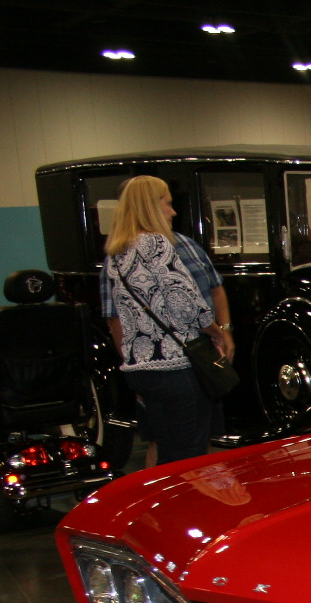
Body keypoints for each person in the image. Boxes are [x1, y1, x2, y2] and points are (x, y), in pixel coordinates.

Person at [101, 175, 228, 466]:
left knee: (165, 450)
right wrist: (215, 331)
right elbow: (186, 303)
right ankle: (188, 510)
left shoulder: (115, 253)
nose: (172, 212)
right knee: (189, 457)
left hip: (141, 369)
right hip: (176, 367)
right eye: (167, 203)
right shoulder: (157, 244)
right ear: (150, 206)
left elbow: (118, 316)